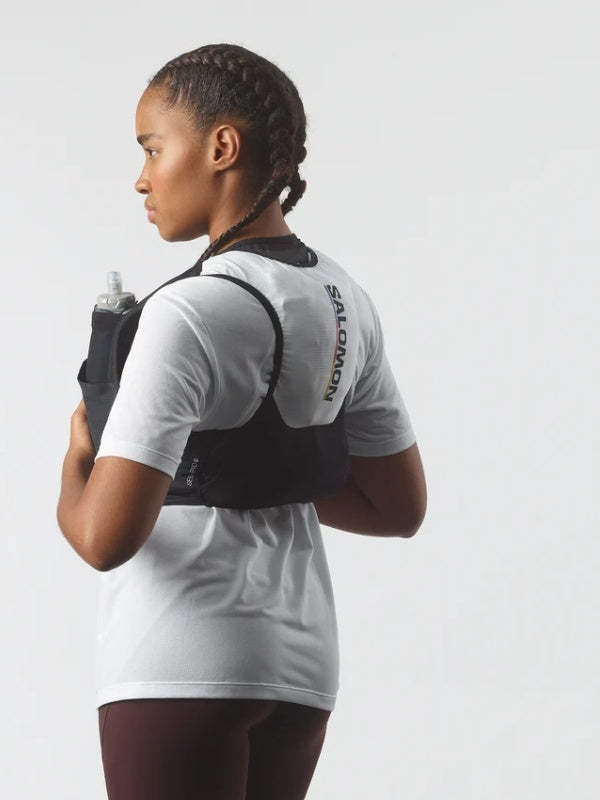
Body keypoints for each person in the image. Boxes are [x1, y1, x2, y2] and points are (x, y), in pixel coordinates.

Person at [57, 42, 427, 800]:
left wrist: (79, 459)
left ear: (221, 147)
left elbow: (103, 538)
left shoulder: (187, 311)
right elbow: (397, 507)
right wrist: (256, 460)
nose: (141, 178)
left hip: (178, 657)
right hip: (300, 665)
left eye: (152, 149)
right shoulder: (344, 299)